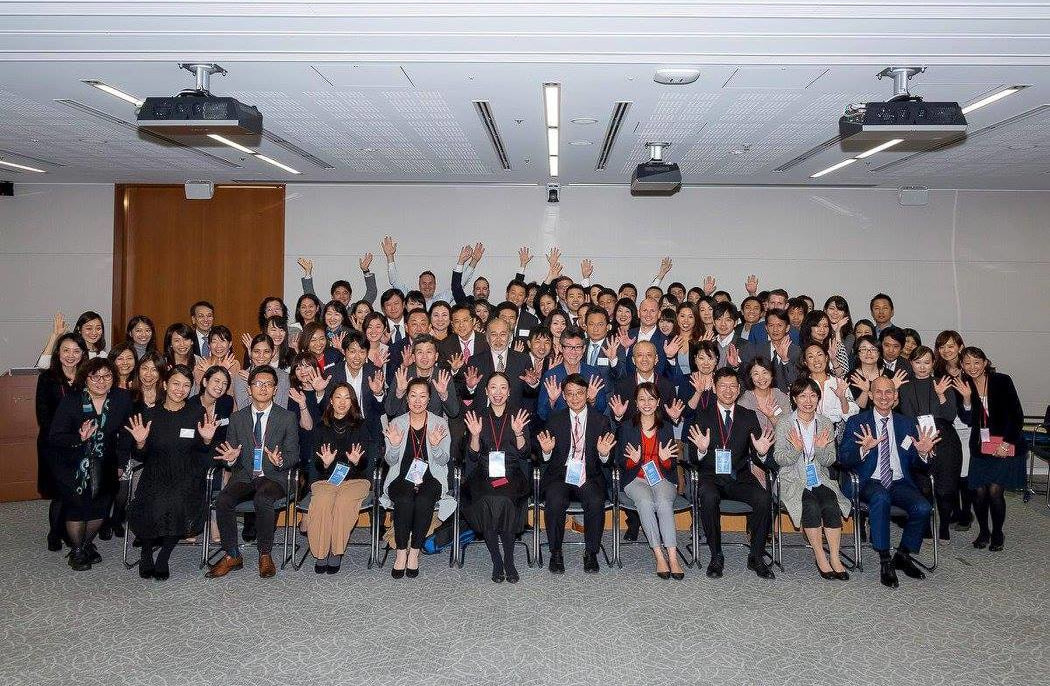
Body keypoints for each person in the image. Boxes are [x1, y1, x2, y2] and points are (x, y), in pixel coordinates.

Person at [840, 376, 940, 588]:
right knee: (881, 497)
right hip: (869, 481)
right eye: (878, 392)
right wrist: (863, 449)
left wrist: (923, 454)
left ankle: (903, 555)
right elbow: (844, 458)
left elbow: (916, 464)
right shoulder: (857, 422)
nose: (884, 396)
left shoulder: (907, 423)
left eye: (889, 392)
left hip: (898, 481)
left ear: (895, 396)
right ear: (871, 395)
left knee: (923, 507)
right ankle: (885, 559)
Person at [125, 364, 218, 580]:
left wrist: (206, 440)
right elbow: (140, 455)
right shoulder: (150, 414)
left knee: (178, 502)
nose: (180, 389)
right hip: (156, 472)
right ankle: (146, 552)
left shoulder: (197, 412)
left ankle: (163, 556)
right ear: (165, 384)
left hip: (186, 473)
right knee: (153, 503)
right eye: (176, 384)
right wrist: (140, 443)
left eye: (186, 385)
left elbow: (203, 451)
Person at [207, 365, 300, 579]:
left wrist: (280, 460)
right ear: (249, 389)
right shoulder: (237, 418)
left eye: (268, 384)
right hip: (245, 476)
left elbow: (294, 455)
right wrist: (231, 459)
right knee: (223, 500)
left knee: (263, 498)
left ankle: (265, 554)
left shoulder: (287, 417)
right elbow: (231, 454)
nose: (263, 388)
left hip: (274, 476)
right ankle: (232, 555)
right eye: (258, 384)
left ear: (275, 390)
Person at [686, 367, 776, 579]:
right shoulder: (703, 414)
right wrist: (701, 450)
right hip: (711, 477)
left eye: (732, 386)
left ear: (738, 390)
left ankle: (756, 556)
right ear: (715, 388)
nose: (728, 391)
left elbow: (758, 454)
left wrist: (762, 453)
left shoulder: (748, 416)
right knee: (708, 497)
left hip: (739, 477)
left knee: (764, 498)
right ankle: (716, 555)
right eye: (723, 386)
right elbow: (693, 458)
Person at [49, 357, 133, 570]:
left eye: (106, 376)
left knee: (100, 508)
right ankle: (77, 551)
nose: (101, 381)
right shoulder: (72, 400)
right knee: (77, 508)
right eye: (95, 377)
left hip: (106, 461)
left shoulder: (122, 398)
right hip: (73, 463)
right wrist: (79, 437)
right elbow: (55, 436)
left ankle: (86, 544)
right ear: (85, 378)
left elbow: (126, 434)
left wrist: (121, 463)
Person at [536, 373, 617, 574]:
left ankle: (591, 552)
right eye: (570, 393)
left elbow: (609, 460)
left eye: (579, 393)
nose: (575, 398)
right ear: (563, 396)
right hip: (560, 476)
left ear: (587, 393)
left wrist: (604, 454)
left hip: (589, 475)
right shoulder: (555, 419)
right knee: (554, 500)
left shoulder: (601, 420)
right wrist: (546, 451)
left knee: (595, 500)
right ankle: (556, 552)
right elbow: (543, 456)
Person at [773, 379, 851, 580]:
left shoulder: (825, 423)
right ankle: (820, 556)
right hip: (792, 479)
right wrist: (796, 450)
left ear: (818, 398)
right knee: (810, 505)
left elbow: (829, 460)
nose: (808, 401)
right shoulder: (784, 423)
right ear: (794, 399)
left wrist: (819, 448)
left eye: (813, 396)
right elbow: (779, 458)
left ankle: (835, 557)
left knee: (831, 503)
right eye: (803, 396)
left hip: (819, 477)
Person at [381, 378, 454, 578]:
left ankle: (414, 552)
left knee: (423, 500)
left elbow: (444, 460)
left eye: (423, 396)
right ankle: (400, 553)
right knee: (404, 500)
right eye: (413, 396)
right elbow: (390, 460)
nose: (417, 401)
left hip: (431, 477)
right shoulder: (397, 423)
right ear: (407, 398)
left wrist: (436, 446)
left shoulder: (439, 423)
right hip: (401, 477)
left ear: (429, 399)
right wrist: (394, 445)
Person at [463, 374, 532, 583]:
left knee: (505, 500)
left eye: (503, 387)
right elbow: (472, 456)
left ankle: (509, 560)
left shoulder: (519, 415)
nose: (498, 392)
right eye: (493, 387)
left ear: (509, 392)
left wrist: (519, 433)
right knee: (487, 500)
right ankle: (496, 560)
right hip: (484, 472)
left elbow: (525, 454)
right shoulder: (477, 416)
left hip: (512, 472)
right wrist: (475, 435)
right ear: (486, 391)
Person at [955, 347, 1025, 552]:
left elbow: (1017, 415)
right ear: (962, 366)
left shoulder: (1002, 381)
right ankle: (984, 531)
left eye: (977, 362)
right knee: (978, 491)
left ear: (985, 363)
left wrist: (1006, 443)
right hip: (980, 446)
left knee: (994, 491)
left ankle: (997, 532)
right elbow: (968, 420)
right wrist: (967, 399)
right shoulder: (963, 385)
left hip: (1004, 443)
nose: (972, 367)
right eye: (967, 363)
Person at [615, 382, 685, 580]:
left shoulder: (666, 427)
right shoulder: (626, 427)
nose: (647, 403)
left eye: (651, 399)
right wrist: (633, 460)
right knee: (645, 502)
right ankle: (659, 555)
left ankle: (673, 557)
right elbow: (619, 462)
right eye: (642, 399)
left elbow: (671, 465)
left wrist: (664, 459)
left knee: (663, 502)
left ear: (658, 402)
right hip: (636, 479)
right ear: (636, 403)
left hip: (662, 477)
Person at [307, 382, 377, 574]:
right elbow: (315, 464)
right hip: (326, 479)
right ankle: (321, 552)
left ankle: (335, 551)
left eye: (347, 398)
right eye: (338, 397)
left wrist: (357, 461)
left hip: (356, 480)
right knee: (322, 501)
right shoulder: (320, 427)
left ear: (352, 402)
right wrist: (325, 464)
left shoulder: (361, 426)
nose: (342, 402)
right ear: (331, 400)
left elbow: (366, 464)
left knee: (343, 503)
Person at [898, 345, 962, 541]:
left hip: (945, 440)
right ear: (911, 363)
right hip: (919, 438)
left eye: (927, 362)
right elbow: (908, 416)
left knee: (945, 489)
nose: (922, 366)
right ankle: (925, 527)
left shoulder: (943, 382)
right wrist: (925, 443)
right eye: (918, 362)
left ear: (933, 363)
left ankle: (944, 527)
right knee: (923, 487)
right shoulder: (905, 386)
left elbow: (950, 415)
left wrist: (941, 394)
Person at [36, 332, 87, 551]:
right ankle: (54, 533)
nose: (70, 355)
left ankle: (69, 531)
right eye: (66, 350)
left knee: (76, 491)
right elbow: (43, 415)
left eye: (76, 351)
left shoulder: (87, 377)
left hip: (81, 442)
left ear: (83, 354)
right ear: (58, 352)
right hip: (54, 444)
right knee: (59, 492)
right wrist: (65, 438)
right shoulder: (48, 378)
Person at [934, 330, 974, 530]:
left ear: (960, 347)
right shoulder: (937, 372)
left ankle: (966, 513)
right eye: (942, 346)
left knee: (964, 473)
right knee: (951, 473)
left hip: (967, 428)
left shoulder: (971, 370)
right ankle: (955, 511)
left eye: (951, 346)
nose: (946, 350)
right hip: (948, 430)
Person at [537, 328, 609, 421]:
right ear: (561, 348)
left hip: (587, 427)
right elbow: (542, 414)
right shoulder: (551, 376)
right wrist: (552, 401)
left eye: (578, 347)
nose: (573, 352)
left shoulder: (593, 374)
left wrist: (592, 400)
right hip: (560, 427)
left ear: (584, 349)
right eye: (568, 347)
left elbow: (601, 409)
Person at [796, 343, 858, 427]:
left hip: (836, 431)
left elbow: (851, 415)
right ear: (805, 362)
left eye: (819, 355)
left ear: (826, 358)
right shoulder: (801, 385)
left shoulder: (839, 383)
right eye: (811, 357)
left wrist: (842, 398)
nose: (816, 360)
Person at [741, 309, 799, 393]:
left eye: (779, 325)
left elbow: (796, 383)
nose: (775, 329)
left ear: (787, 328)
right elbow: (746, 377)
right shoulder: (756, 349)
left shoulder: (796, 351)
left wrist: (785, 360)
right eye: (771, 325)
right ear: (766, 328)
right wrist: (736, 366)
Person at [297, 252, 379, 306]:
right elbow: (311, 297)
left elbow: (371, 293)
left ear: (350, 296)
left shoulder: (356, 311)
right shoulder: (325, 311)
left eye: (345, 293)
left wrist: (365, 270)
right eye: (338, 293)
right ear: (332, 297)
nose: (342, 296)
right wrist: (308, 272)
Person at [824, 295, 855, 375]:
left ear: (845, 313)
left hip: (840, 376)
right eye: (832, 308)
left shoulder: (850, 336)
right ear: (825, 310)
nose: (835, 312)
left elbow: (842, 359)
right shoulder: (821, 332)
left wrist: (837, 331)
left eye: (840, 309)